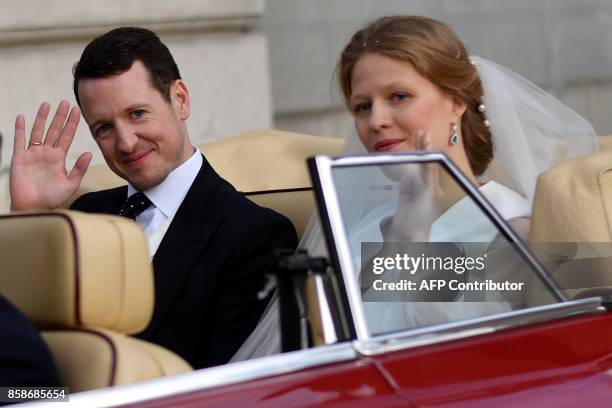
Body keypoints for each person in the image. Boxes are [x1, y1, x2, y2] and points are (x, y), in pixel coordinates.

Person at [231, 15, 597, 359]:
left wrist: (415, 240)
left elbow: (454, 361)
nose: (376, 121)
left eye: (399, 97)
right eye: (362, 107)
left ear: (455, 103)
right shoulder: (360, 228)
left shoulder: (515, 232)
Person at [9, 27, 297, 369]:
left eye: (137, 114)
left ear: (180, 99)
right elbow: (18, 357)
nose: (126, 142)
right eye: (104, 127)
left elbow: (224, 388)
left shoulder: (255, 234)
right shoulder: (84, 216)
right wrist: (26, 218)